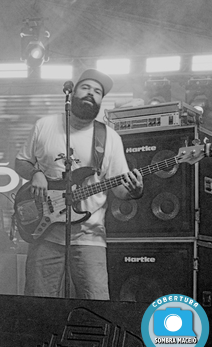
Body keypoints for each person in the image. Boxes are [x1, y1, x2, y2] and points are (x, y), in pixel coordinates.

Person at [14, 69, 144, 300]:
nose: (91, 94)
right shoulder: (45, 125)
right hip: (46, 234)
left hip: (89, 236)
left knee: (96, 305)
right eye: (86, 88)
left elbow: (119, 189)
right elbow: (21, 161)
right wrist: (35, 173)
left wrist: (135, 191)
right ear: (73, 92)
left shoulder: (109, 137)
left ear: (101, 101)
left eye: (97, 92)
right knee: (38, 305)